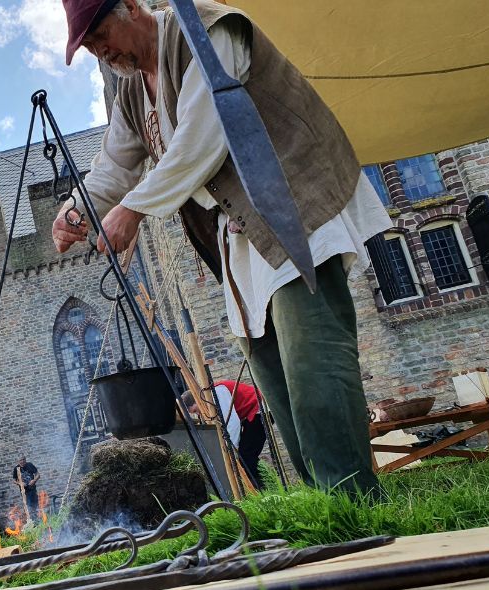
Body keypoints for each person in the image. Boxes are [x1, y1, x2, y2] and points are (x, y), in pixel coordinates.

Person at [55, 0, 391, 495]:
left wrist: (133, 210)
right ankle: (334, 509)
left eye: (101, 33)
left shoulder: (207, 29)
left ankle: (358, 506)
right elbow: (113, 167)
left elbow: (203, 134)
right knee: (274, 381)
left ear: (130, 6)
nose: (100, 51)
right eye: (89, 46)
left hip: (290, 206)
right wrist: (74, 213)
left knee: (313, 365)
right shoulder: (131, 92)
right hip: (237, 238)